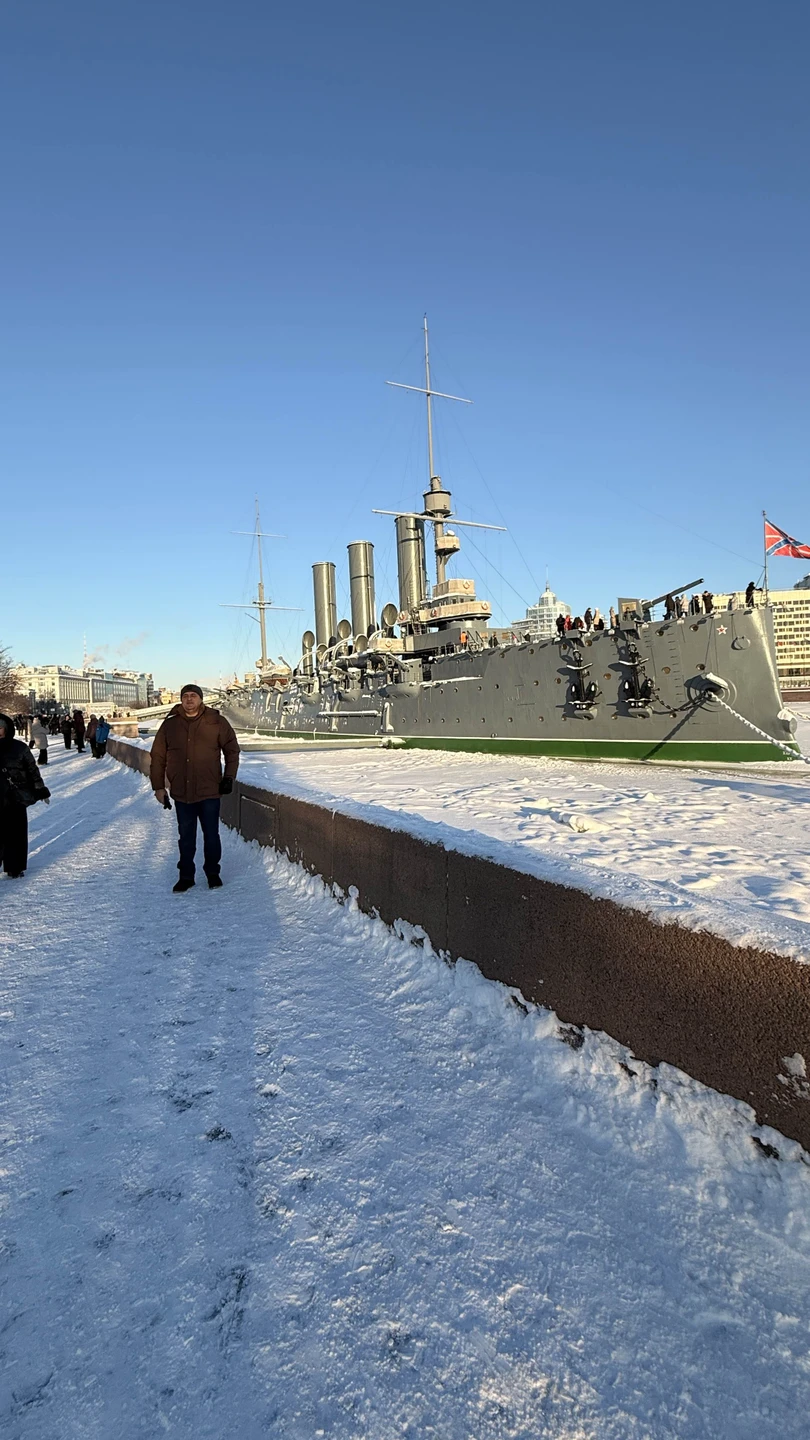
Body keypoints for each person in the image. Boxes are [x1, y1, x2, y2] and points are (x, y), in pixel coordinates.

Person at [150, 684, 240, 893]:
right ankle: (186, 876)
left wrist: (229, 777)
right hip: (182, 792)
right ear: (181, 699)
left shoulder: (216, 721)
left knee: (211, 835)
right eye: (185, 696)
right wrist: (158, 787)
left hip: (209, 790)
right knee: (186, 837)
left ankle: (213, 874)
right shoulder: (170, 725)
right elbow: (158, 757)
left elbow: (232, 750)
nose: (189, 699)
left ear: (201, 699)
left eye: (193, 696)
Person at [0, 713, 51, 878]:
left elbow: (32, 770)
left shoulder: (19, 748)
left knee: (16, 834)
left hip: (15, 797)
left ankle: (15, 867)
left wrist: (40, 789)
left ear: (6, 729)